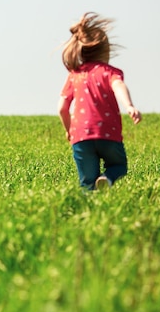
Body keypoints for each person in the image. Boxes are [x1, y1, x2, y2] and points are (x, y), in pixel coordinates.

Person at [57, 13, 142, 190]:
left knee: (87, 183)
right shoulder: (109, 72)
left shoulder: (74, 75)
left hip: (80, 135)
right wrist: (129, 106)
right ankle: (108, 178)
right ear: (106, 50)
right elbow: (118, 86)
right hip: (107, 132)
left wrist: (69, 130)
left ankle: (90, 208)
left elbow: (62, 108)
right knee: (118, 166)